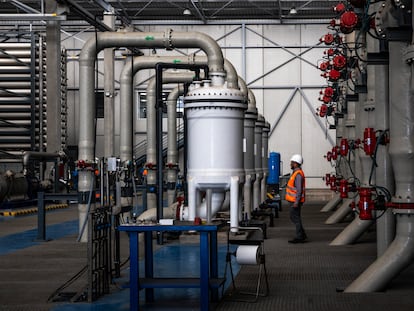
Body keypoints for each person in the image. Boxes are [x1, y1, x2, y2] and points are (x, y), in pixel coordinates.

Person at [285, 154, 307, 243]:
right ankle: (302, 234)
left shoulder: (298, 175)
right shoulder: (295, 173)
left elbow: (299, 190)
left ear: (296, 163)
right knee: (294, 217)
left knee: (295, 218)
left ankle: (300, 237)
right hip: (293, 200)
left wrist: (296, 202)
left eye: (292, 162)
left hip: (295, 201)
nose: (290, 164)